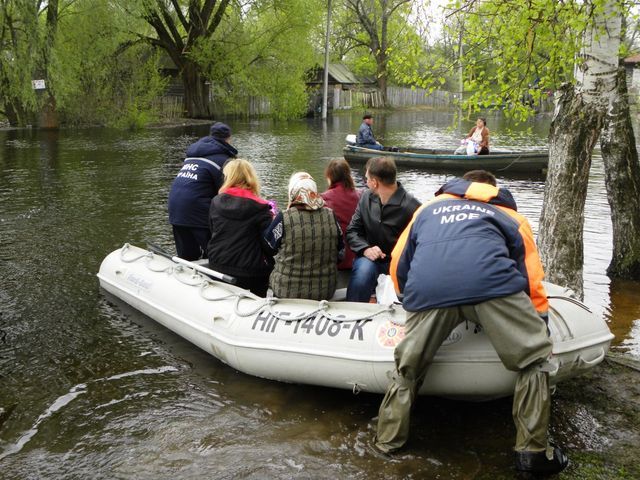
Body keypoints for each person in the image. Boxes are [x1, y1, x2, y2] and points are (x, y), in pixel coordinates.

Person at [373, 170, 568, 476]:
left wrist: (410, 301)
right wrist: (538, 325)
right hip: (492, 287)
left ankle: (387, 443)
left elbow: (399, 262)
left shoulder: (426, 209)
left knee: (407, 367)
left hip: (431, 289)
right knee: (535, 360)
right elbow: (531, 279)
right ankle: (532, 454)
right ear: (491, 191)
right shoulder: (510, 216)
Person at [346, 157, 420, 302]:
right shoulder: (366, 198)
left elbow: (420, 244)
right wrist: (366, 249)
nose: (365, 182)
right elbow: (352, 230)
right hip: (369, 257)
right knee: (363, 273)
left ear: (374, 183)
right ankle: (353, 312)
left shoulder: (412, 207)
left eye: (367, 178)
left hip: (399, 263)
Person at [264, 172, 344, 300]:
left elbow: (268, 247)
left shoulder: (284, 218)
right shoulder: (331, 215)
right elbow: (340, 251)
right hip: (324, 291)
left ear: (293, 192)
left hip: (286, 290)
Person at [168, 122, 237, 260]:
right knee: (215, 253)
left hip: (175, 209)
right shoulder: (223, 160)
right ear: (228, 139)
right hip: (198, 211)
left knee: (187, 257)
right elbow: (228, 193)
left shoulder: (191, 155)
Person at [207, 159, 275, 297]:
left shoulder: (216, 202)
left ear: (228, 177)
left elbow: (212, 230)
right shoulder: (261, 207)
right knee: (265, 269)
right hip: (251, 272)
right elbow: (269, 246)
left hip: (218, 265)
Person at [321, 159, 361, 270]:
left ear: (330, 176)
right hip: (358, 255)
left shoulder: (324, 198)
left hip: (337, 259)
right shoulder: (361, 195)